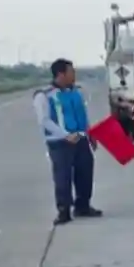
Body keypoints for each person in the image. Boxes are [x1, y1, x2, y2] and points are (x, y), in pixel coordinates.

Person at [34, 58, 101, 225]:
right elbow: (44, 120)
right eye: (71, 72)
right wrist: (64, 135)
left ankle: (83, 206)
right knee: (63, 177)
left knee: (85, 172)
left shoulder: (76, 92)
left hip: (80, 138)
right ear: (60, 74)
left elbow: (82, 115)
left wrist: (90, 134)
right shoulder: (45, 95)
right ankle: (63, 211)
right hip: (59, 142)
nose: (74, 75)